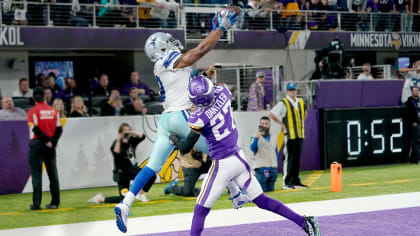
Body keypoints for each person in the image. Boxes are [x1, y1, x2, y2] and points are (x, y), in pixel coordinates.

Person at [114, 11, 245, 233]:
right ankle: (235, 192)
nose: (172, 42)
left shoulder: (165, 64)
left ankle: (125, 204)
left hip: (166, 119)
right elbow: (200, 51)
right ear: (161, 48)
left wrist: (213, 31)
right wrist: (221, 29)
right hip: (179, 115)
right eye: (167, 42)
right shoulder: (167, 60)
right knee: (220, 149)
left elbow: (194, 60)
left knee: (153, 167)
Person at [169, 76, 320, 236]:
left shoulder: (198, 117)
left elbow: (186, 148)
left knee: (200, 210)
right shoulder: (223, 92)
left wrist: (175, 141)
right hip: (239, 157)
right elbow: (216, 89)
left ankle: (236, 194)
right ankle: (305, 222)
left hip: (223, 164)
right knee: (261, 200)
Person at [88, 123, 156, 203]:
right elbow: (116, 152)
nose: (127, 133)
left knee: (152, 175)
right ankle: (100, 199)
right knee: (124, 198)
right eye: (125, 131)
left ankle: (141, 194)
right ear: (120, 132)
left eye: (128, 131)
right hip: (122, 173)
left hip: (133, 170)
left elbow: (142, 136)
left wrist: (132, 132)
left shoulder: (132, 141)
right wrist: (118, 139)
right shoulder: (117, 143)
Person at [27, 87, 63, 210]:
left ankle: (37, 203)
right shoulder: (53, 112)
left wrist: (46, 140)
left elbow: (35, 128)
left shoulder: (32, 111)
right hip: (50, 146)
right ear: (45, 97)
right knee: (53, 174)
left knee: (36, 174)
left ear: (33, 98)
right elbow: (59, 129)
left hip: (37, 144)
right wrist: (52, 142)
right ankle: (55, 202)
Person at [269, 82, 307, 190]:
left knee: (297, 158)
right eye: (290, 90)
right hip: (289, 134)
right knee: (289, 158)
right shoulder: (283, 103)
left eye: (294, 90)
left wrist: (301, 123)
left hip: (299, 133)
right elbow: (271, 113)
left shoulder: (300, 101)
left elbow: (305, 112)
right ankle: (287, 181)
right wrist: (281, 124)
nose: (292, 92)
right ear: (287, 91)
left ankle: (296, 180)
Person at [250, 116, 278, 192]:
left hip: (273, 168)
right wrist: (256, 138)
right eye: (262, 124)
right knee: (263, 190)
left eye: (266, 124)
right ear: (259, 124)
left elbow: (276, 152)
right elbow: (252, 148)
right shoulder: (254, 137)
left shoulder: (273, 137)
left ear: (269, 125)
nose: (264, 125)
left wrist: (276, 166)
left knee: (271, 190)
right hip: (261, 168)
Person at [404, 86, 420, 164]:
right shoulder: (409, 102)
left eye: (417, 90)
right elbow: (407, 114)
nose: (416, 92)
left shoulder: (419, 101)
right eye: (415, 91)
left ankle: (414, 159)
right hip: (414, 125)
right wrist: (413, 122)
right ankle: (416, 159)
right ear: (412, 92)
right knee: (415, 142)